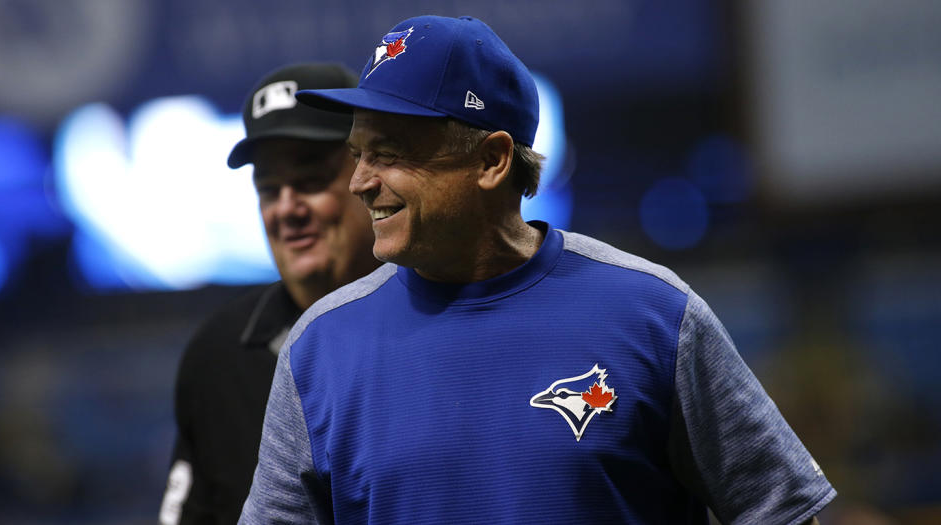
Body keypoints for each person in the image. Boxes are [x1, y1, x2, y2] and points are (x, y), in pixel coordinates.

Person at [240, 16, 836, 525]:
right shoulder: (320, 346)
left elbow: (781, 511)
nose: (360, 182)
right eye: (358, 154)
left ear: (493, 160)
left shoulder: (653, 315)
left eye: (389, 154)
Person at [158, 63, 380, 525]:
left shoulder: (439, 318)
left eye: (311, 180)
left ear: (369, 174)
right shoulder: (219, 355)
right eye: (268, 188)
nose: (286, 209)